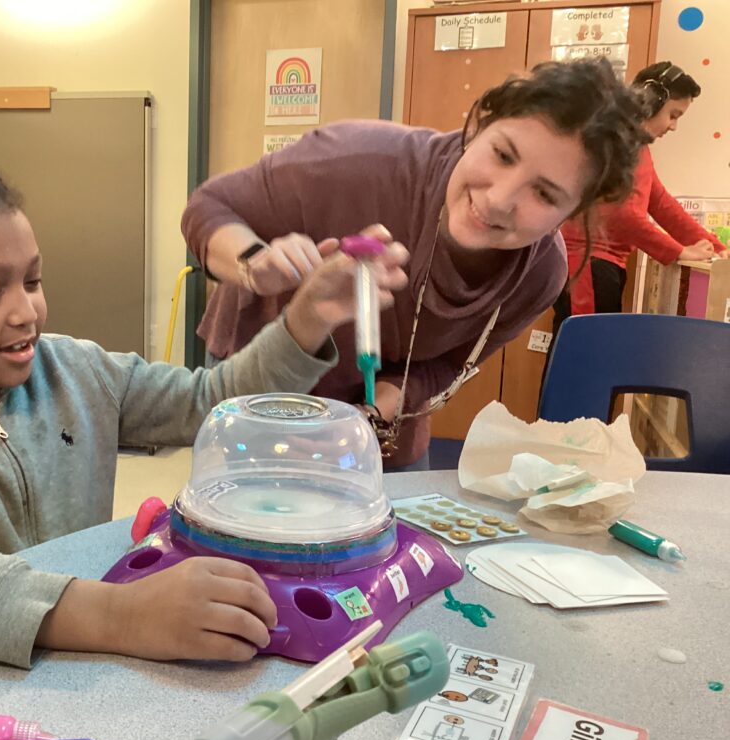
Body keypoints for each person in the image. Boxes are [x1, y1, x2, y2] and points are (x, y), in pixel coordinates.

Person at [0, 153, 408, 668]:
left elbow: (209, 404)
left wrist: (306, 318)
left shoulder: (74, 370)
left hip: (72, 668)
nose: (26, 313)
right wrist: (117, 615)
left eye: (33, 281)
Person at [182, 58, 645, 469]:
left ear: (576, 210)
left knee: (382, 553)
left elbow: (445, 367)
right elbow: (209, 207)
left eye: (544, 194)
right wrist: (253, 263)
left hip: (379, 431)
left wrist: (370, 416)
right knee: (245, 548)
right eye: (502, 155)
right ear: (482, 124)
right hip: (261, 387)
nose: (499, 199)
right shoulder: (359, 160)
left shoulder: (539, 275)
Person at [555, 61, 727, 324]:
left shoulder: (634, 145)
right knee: (589, 357)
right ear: (651, 101)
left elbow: (661, 203)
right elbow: (622, 215)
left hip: (596, 266)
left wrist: (717, 247)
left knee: (584, 355)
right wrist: (679, 252)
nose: (673, 126)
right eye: (674, 115)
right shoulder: (620, 142)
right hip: (589, 266)